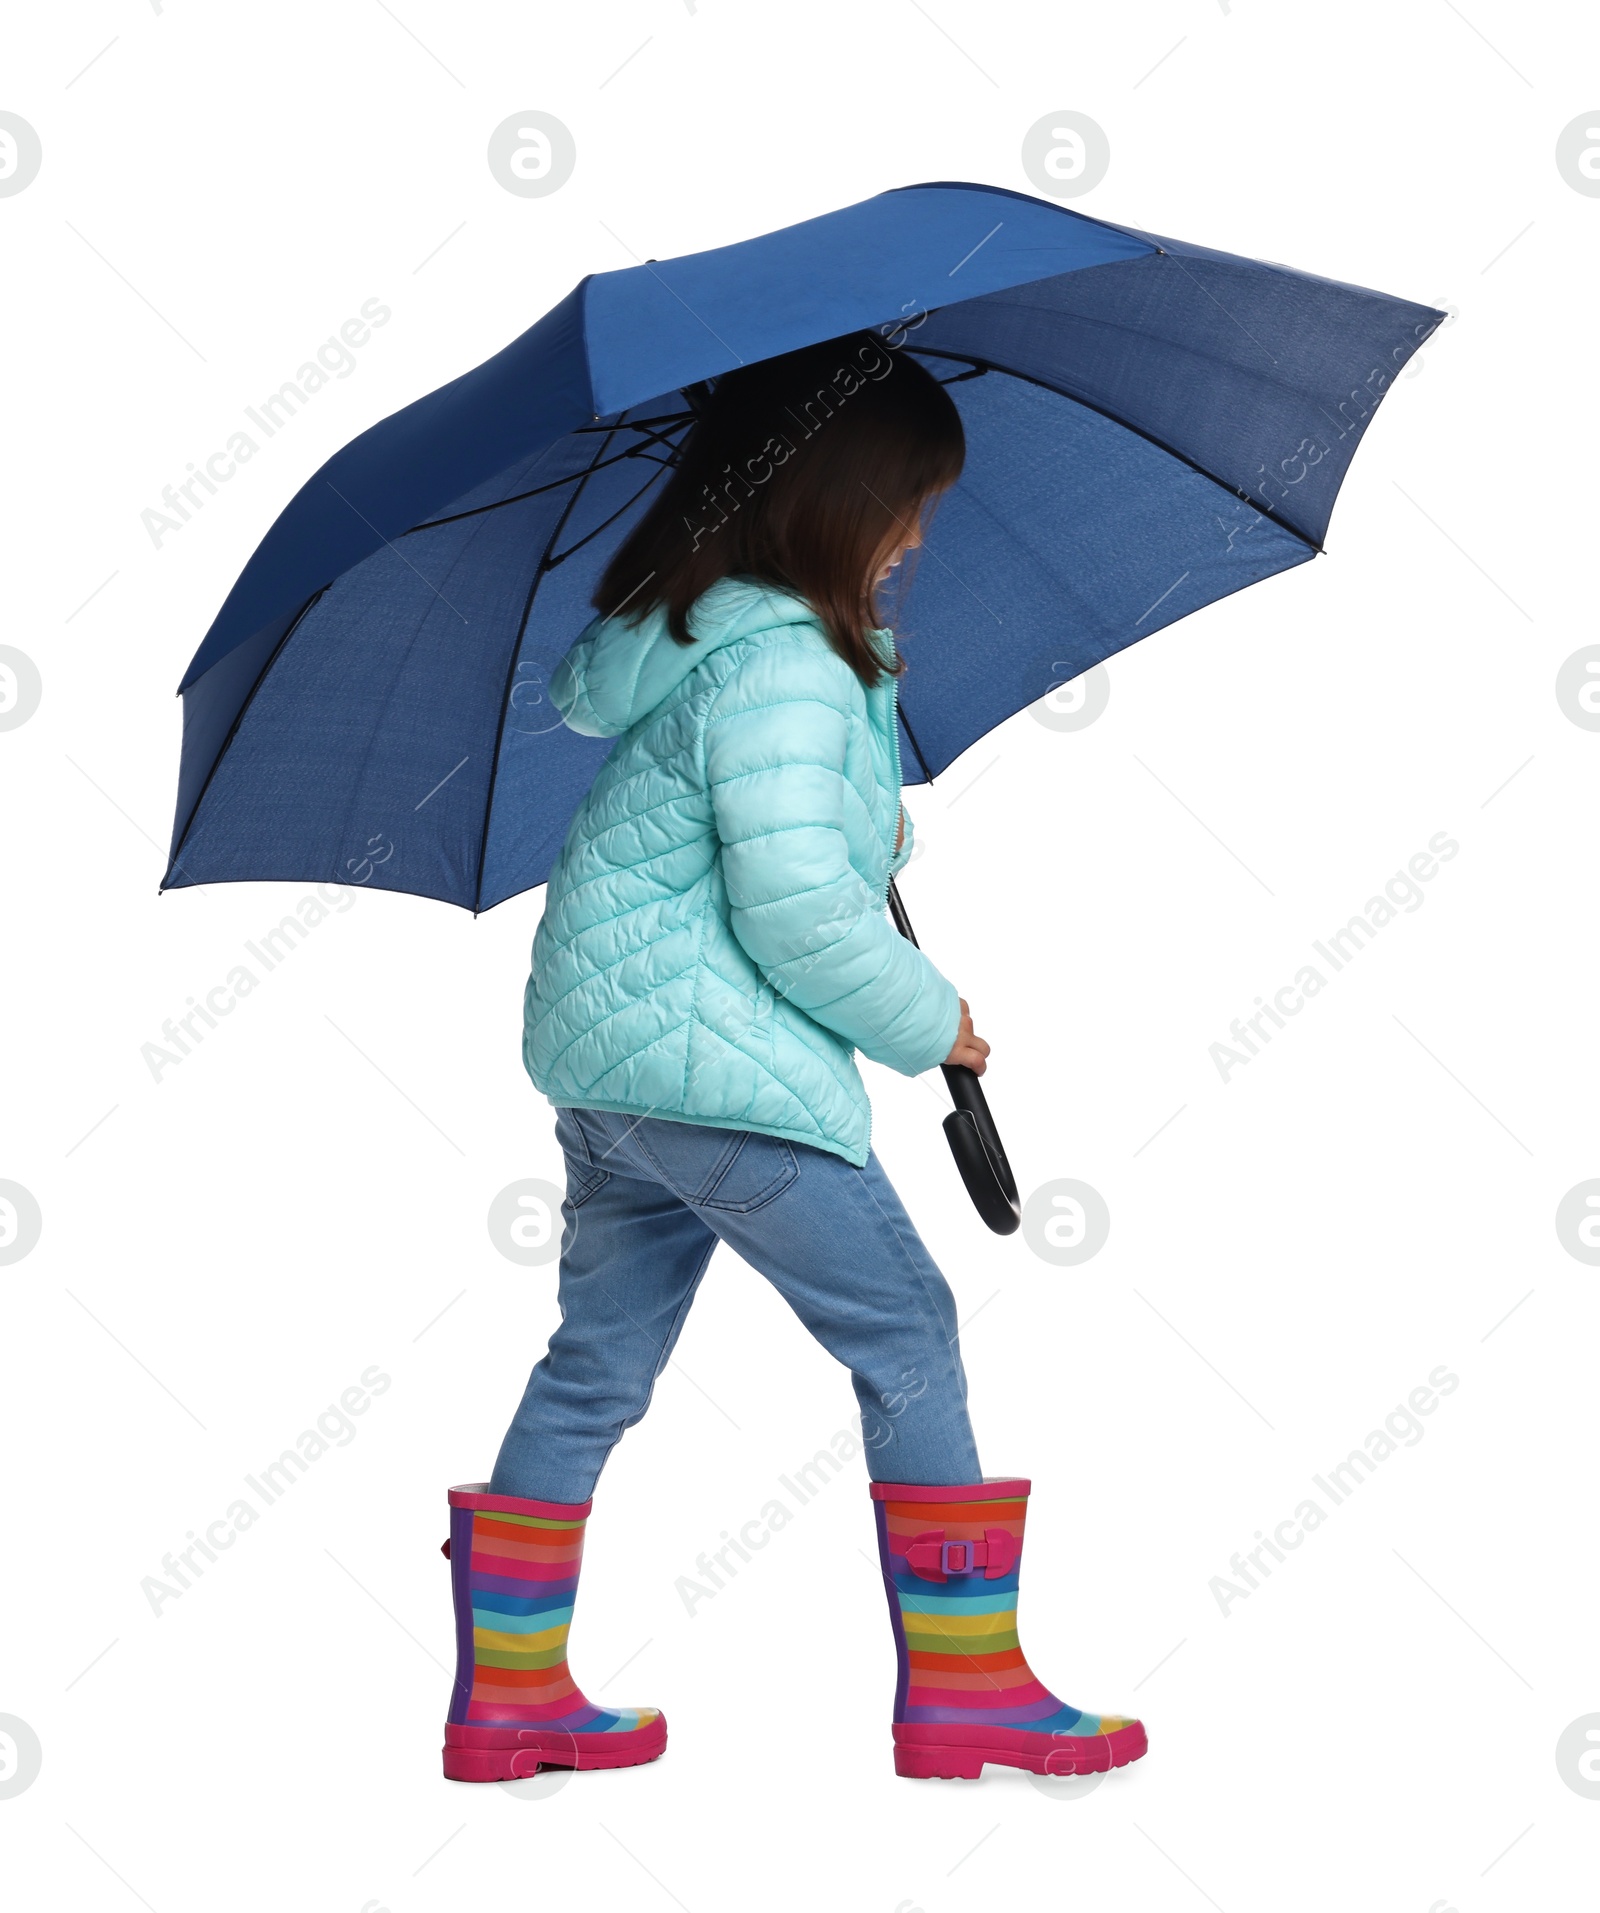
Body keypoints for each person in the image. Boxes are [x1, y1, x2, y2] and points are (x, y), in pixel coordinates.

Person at [439, 330, 1145, 1785]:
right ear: (833, 498)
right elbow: (799, 914)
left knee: (595, 1368)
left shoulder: (715, 644)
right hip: (724, 1081)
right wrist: (928, 1016)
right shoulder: (792, 673)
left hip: (619, 1081)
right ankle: (965, 1691)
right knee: (908, 1332)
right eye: (909, 502)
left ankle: (507, 1696)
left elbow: (781, 862)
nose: (919, 536)